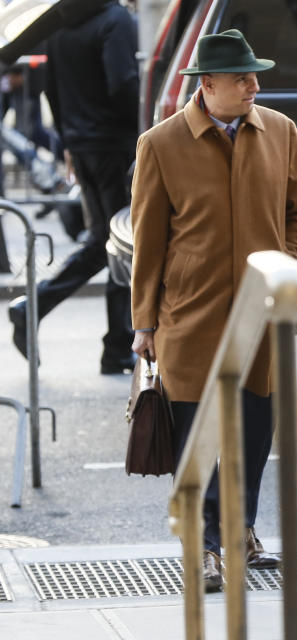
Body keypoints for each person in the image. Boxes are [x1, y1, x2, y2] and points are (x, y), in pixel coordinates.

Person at [129, 29, 297, 592]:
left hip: (260, 315)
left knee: (255, 432)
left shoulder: (280, 131)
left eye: (255, 75)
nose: (254, 85)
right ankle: (205, 546)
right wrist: (143, 322)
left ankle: (243, 529)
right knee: (198, 436)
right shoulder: (160, 144)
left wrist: (291, 264)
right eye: (242, 78)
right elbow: (148, 240)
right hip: (189, 315)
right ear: (207, 85)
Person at [7, 0, 138, 373]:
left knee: (104, 241)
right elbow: (124, 84)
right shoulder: (115, 19)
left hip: (83, 145)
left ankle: (35, 309)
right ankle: (115, 346)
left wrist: (67, 141)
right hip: (114, 146)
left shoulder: (61, 23)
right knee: (123, 242)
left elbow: (52, 91)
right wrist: (146, 134)